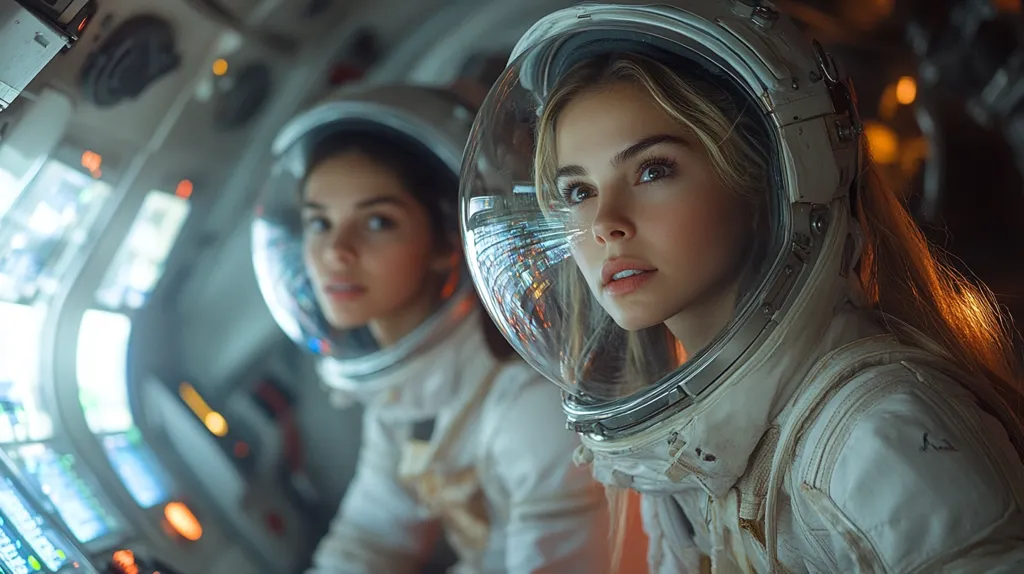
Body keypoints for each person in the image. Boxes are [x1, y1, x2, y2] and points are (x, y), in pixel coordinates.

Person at [458, 2, 1024, 573]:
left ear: (766, 180)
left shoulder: (877, 434)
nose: (605, 222)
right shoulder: (686, 453)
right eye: (579, 191)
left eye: (654, 170)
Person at [251, 83, 611, 574]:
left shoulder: (527, 399)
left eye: (377, 222)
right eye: (320, 223)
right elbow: (371, 538)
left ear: (447, 241)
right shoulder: (400, 401)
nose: (337, 251)